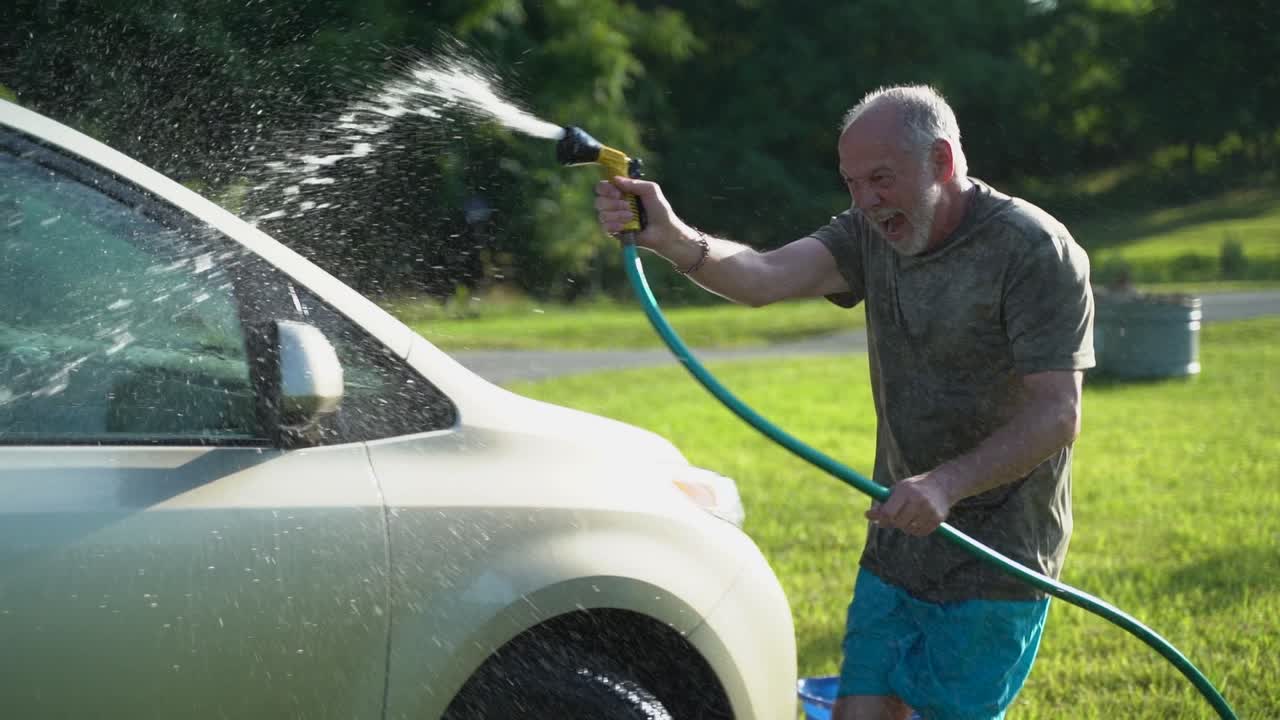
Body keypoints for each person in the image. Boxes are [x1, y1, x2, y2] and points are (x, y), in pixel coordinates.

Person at [594, 84, 1095, 720]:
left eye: (880, 179)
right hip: (898, 543)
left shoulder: (1034, 251)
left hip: (996, 558)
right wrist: (668, 236)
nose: (865, 201)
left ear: (941, 161)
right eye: (852, 182)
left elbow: (1057, 414)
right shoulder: (870, 232)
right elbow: (762, 277)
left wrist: (944, 485)